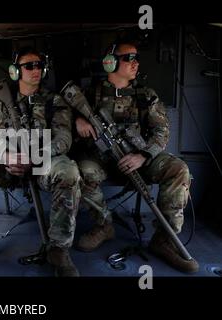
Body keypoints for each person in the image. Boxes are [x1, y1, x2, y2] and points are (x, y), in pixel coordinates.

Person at [0, 46, 84, 276]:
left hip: (42, 164)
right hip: (10, 165)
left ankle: (58, 250)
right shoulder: (5, 100)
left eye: (39, 65)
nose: (35, 70)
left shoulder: (54, 101)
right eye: (29, 66)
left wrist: (35, 157)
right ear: (16, 71)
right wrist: (7, 156)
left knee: (69, 172)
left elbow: (64, 139)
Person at [67, 40, 199, 272]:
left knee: (178, 169)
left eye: (136, 58)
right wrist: (77, 120)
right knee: (82, 170)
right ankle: (103, 225)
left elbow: (162, 130)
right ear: (110, 63)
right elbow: (62, 113)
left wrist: (144, 155)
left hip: (136, 156)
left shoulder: (145, 95)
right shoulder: (89, 93)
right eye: (129, 58)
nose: (135, 63)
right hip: (100, 158)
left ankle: (164, 239)